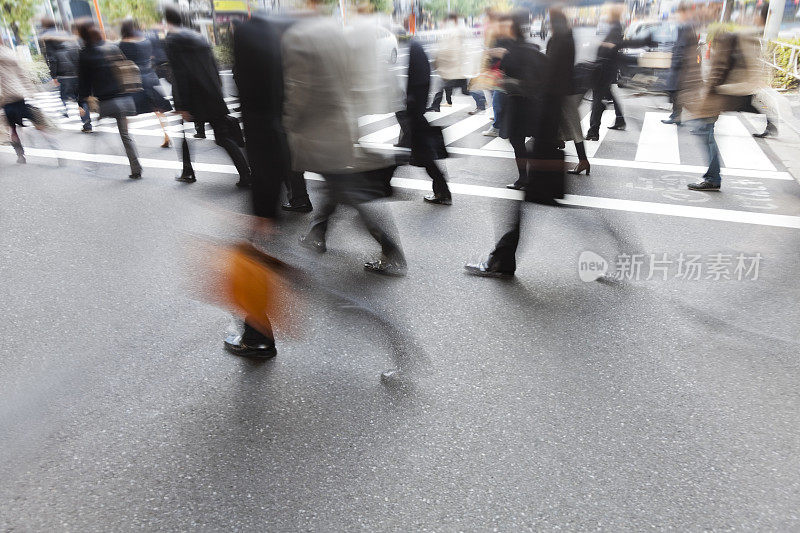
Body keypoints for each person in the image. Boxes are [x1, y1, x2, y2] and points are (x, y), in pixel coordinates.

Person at [287, 16, 406, 276]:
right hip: (339, 130)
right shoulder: (339, 44)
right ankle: (317, 235)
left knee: (350, 195)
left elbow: (305, 94)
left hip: (327, 135)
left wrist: (291, 122)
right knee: (333, 189)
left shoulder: (310, 46)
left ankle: (392, 253)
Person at [464, 8, 570, 277]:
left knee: (530, 204)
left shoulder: (554, 41)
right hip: (544, 130)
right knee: (533, 204)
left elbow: (535, 86)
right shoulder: (542, 45)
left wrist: (498, 79)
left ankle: (501, 262)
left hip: (543, 133)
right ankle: (503, 261)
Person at [685, 3, 771, 191]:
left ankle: (713, 177)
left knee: (703, 129)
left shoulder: (728, 36)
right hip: (730, 92)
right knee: (704, 129)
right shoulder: (750, 37)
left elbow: (720, 69)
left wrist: (708, 92)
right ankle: (713, 176)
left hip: (719, 94)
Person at [163, 6, 250, 186]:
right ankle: (245, 173)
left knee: (188, 134)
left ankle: (188, 171)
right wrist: (218, 90)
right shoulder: (198, 37)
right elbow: (214, 66)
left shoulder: (172, 41)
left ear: (167, 21)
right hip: (211, 92)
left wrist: (181, 105)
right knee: (223, 135)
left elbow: (180, 74)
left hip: (195, 96)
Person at [75, 20, 143, 179]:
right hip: (124, 98)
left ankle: (93, 162)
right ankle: (136, 168)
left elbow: (83, 82)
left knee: (97, 131)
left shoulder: (85, 54)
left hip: (106, 101)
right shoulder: (112, 47)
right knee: (125, 135)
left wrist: (81, 102)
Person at [585, 4, 653, 141]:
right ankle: (619, 120)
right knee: (604, 97)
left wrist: (604, 46)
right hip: (606, 69)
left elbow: (617, 46)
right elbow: (619, 46)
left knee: (597, 101)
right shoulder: (614, 27)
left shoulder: (615, 27)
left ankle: (593, 132)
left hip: (604, 70)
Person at [500, 12, 546, 191]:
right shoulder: (533, 48)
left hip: (518, 103)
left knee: (517, 141)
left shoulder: (511, 52)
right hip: (535, 102)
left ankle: (523, 178)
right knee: (533, 138)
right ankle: (531, 176)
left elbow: (504, 76)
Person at [404, 39, 452, 205]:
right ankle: (442, 190)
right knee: (423, 154)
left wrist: (413, 105)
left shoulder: (413, 49)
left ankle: (442, 192)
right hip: (415, 111)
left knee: (424, 155)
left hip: (414, 112)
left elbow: (417, 82)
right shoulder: (416, 48)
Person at [0, 45, 61, 164]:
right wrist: (30, 91)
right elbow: (22, 74)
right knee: (39, 125)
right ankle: (52, 143)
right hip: (21, 97)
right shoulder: (10, 54)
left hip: (7, 101)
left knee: (12, 129)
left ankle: (20, 156)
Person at [118, 19, 173, 148]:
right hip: (150, 76)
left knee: (127, 111)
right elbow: (152, 56)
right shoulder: (145, 40)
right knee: (159, 109)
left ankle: (128, 140)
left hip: (133, 80)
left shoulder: (123, 44)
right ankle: (167, 135)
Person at [39, 18, 92, 132]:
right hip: (78, 74)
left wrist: (53, 76)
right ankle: (87, 125)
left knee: (64, 95)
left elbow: (52, 59)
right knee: (81, 99)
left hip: (64, 75)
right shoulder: (72, 40)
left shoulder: (48, 38)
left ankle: (64, 109)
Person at [661, 3, 698, 126]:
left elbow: (682, 46)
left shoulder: (686, 26)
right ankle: (677, 115)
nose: (677, 16)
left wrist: (676, 61)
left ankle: (698, 118)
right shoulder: (687, 25)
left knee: (678, 93)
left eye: (679, 13)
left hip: (681, 66)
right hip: (683, 65)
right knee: (677, 93)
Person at [426, 13, 467, 112]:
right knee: (443, 87)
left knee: (466, 90)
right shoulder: (450, 33)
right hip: (448, 68)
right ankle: (436, 105)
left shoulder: (455, 34)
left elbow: (454, 51)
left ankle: (481, 98)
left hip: (452, 68)